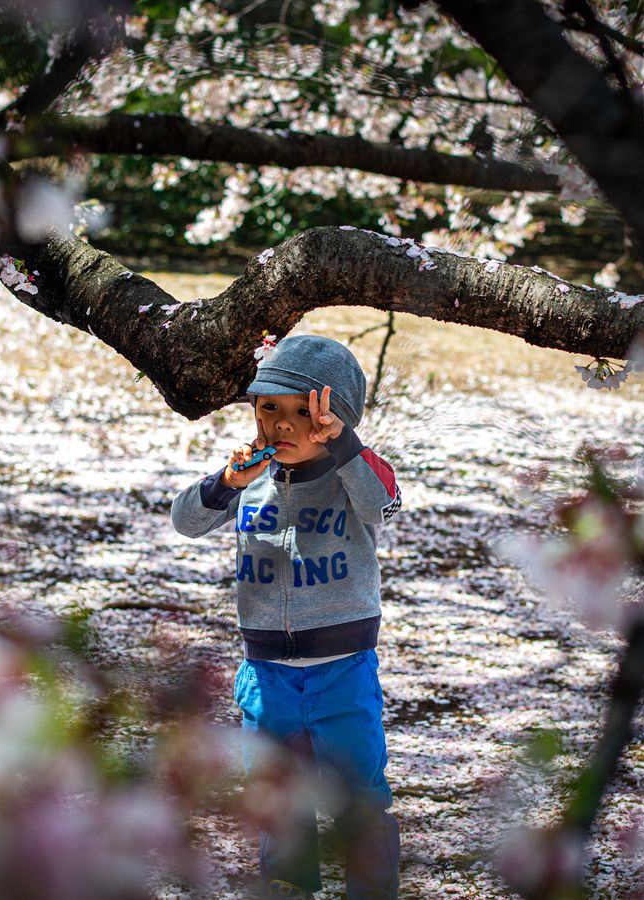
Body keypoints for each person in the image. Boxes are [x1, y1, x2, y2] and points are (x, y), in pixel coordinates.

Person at [169, 334, 403, 899]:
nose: (283, 424)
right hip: (267, 675)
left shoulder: (354, 477)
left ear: (336, 420)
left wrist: (344, 447)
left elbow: (384, 505)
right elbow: (185, 521)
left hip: (343, 673)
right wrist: (226, 483)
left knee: (358, 797)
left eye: (306, 414)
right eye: (270, 406)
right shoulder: (250, 482)